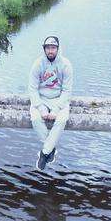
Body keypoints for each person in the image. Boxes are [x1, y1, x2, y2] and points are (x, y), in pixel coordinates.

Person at [28, 36, 73, 170]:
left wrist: (56, 109)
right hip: (41, 98)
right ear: (44, 49)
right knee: (35, 118)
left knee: (62, 119)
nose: (50, 51)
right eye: (48, 48)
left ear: (58, 49)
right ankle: (51, 149)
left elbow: (67, 90)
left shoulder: (66, 65)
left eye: (53, 48)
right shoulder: (37, 64)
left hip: (59, 99)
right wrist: (41, 107)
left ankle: (44, 152)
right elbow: (32, 88)